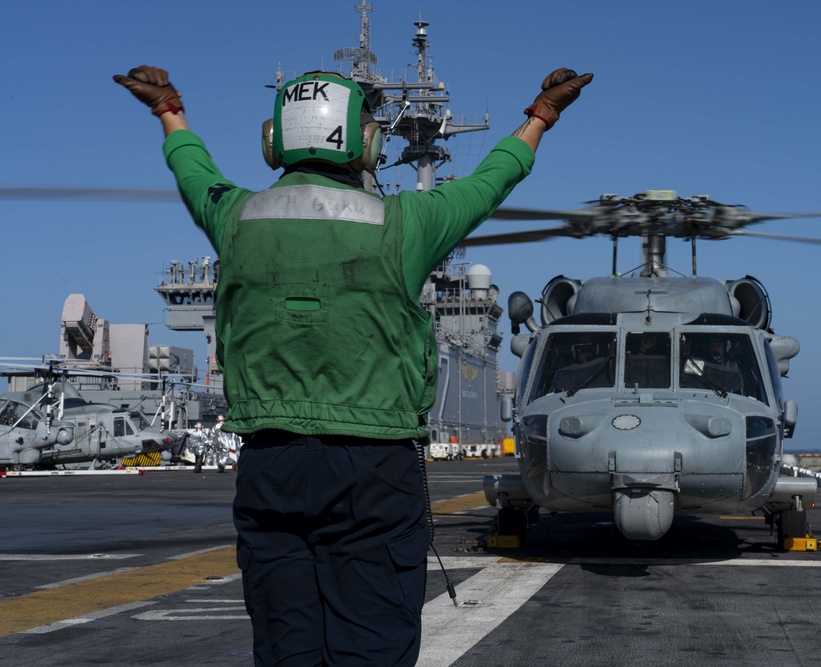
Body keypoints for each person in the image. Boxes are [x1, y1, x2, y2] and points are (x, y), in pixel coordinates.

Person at [114, 63, 592, 666]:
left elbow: (193, 171)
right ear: (365, 142)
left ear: (273, 141)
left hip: (271, 465)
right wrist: (539, 117)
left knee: (286, 647)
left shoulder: (234, 217)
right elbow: (493, 179)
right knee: (371, 646)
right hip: (373, 467)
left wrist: (169, 112)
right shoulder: (405, 223)